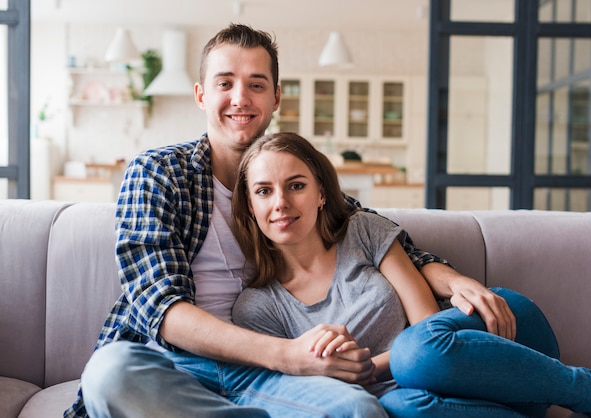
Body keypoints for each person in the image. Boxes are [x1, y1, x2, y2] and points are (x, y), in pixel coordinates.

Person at [65, 23, 518, 418]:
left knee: (358, 409)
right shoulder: (159, 174)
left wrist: (449, 277)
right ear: (201, 94)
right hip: (180, 366)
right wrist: (290, 356)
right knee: (109, 372)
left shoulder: (293, 182)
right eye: (225, 83)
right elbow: (159, 308)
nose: (240, 98)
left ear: (276, 97)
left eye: (256, 84)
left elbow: (375, 234)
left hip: (266, 377)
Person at [231, 131, 591, 418]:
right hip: (446, 405)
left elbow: (427, 326)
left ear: (320, 193)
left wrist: (361, 367)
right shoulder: (259, 308)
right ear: (250, 207)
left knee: (414, 354)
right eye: (264, 191)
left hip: (496, 335)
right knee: (400, 408)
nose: (281, 203)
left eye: (295, 185)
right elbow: (300, 388)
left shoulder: (361, 230)